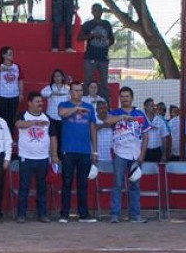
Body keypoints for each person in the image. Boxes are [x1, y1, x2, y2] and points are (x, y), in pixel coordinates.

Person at [102, 86, 151, 224]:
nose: (124, 99)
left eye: (127, 96)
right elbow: (106, 121)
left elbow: (146, 135)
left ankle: (135, 215)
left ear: (132, 98)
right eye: (122, 96)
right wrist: (122, 117)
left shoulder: (140, 114)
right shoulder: (115, 112)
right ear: (119, 98)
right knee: (117, 184)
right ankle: (115, 215)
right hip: (119, 154)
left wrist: (142, 155)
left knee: (135, 185)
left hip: (136, 155)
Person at [54, 82, 97, 223]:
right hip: (68, 150)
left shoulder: (89, 107)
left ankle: (83, 214)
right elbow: (61, 114)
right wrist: (76, 108)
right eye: (75, 90)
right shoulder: (64, 105)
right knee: (66, 182)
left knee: (83, 183)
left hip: (84, 151)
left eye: (80, 90)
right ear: (70, 92)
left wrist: (94, 151)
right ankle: (64, 214)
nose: (78, 93)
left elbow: (92, 130)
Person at [14, 92, 53, 223]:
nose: (40, 103)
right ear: (29, 103)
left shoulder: (47, 117)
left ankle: (42, 214)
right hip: (26, 157)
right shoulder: (22, 115)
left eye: (41, 101)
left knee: (42, 187)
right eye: (37, 101)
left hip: (43, 158)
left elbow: (52, 137)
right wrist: (35, 122)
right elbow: (19, 124)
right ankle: (21, 214)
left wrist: (54, 155)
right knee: (24, 186)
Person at [78, 4, 114, 97]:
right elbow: (79, 38)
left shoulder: (106, 24)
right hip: (90, 57)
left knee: (104, 81)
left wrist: (105, 44)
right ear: (92, 12)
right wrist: (92, 35)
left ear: (102, 12)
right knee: (88, 80)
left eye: (99, 10)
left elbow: (112, 39)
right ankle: (85, 100)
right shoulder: (88, 24)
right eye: (95, 10)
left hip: (103, 57)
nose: (97, 12)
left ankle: (105, 103)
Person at [0, 46, 22, 134]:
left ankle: (10, 137)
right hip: (1, 96)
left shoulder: (16, 66)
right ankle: (1, 136)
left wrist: (21, 93)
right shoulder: (0, 66)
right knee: (2, 117)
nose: (12, 55)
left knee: (11, 118)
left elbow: (20, 80)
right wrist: (5, 68)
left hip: (14, 96)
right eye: (9, 54)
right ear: (4, 55)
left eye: (12, 53)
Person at [142, 98, 169, 163]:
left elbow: (164, 138)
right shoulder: (141, 120)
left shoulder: (160, 120)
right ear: (145, 107)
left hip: (157, 152)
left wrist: (164, 155)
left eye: (154, 105)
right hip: (144, 151)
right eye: (151, 106)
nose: (154, 107)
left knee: (157, 171)